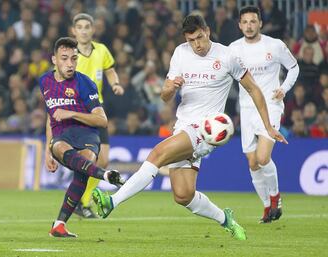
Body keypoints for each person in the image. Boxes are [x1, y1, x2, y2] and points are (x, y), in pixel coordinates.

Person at [93, 14, 288, 241]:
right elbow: (165, 96)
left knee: (156, 154)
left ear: (207, 32)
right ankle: (226, 220)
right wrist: (170, 88)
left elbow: (254, 89)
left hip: (207, 130)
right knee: (183, 195)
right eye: (191, 40)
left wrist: (268, 126)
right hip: (183, 126)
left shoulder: (227, 56)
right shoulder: (180, 52)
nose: (196, 44)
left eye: (199, 38)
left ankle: (111, 202)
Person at [40, 37, 124, 238]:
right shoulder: (44, 81)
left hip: (87, 133)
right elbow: (50, 115)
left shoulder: (85, 84)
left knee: (83, 169)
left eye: (74, 59)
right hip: (62, 135)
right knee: (58, 147)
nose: (70, 64)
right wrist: (46, 151)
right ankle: (104, 175)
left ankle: (59, 226)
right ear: (54, 59)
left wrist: (71, 113)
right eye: (64, 58)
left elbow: (102, 120)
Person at [229, 6, 299, 223]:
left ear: (260, 23)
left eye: (253, 21)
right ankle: (267, 208)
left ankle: (276, 196)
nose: (249, 26)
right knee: (252, 163)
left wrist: (284, 89)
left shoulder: (275, 45)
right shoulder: (233, 49)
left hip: (271, 106)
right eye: (245, 22)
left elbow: (294, 67)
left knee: (262, 157)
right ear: (240, 25)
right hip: (247, 109)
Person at [71, 13, 125, 219]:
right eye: (80, 27)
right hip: (78, 112)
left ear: (93, 29)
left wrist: (116, 84)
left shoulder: (101, 50)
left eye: (87, 27)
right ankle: (79, 201)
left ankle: (81, 202)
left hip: (97, 110)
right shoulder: (69, 54)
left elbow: (109, 70)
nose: (84, 30)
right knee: (87, 159)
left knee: (103, 160)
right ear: (74, 30)